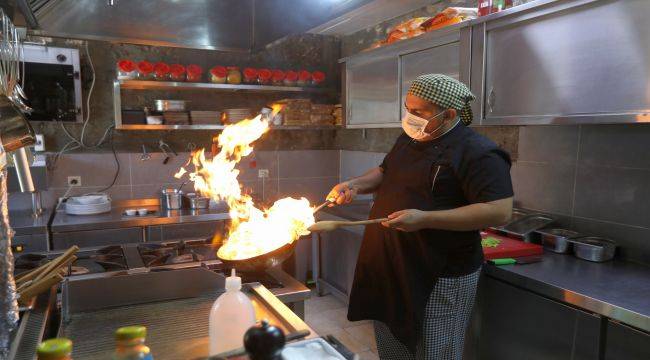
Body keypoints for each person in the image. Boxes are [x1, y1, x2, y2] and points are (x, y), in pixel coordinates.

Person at [326, 74, 514, 360]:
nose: (410, 117)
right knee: (394, 348)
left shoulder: (479, 153)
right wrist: (354, 185)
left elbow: (499, 211)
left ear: (449, 114)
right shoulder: (411, 138)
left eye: (418, 112)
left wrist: (424, 218)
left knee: (435, 352)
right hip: (394, 265)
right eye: (408, 108)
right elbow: (385, 172)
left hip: (440, 273)